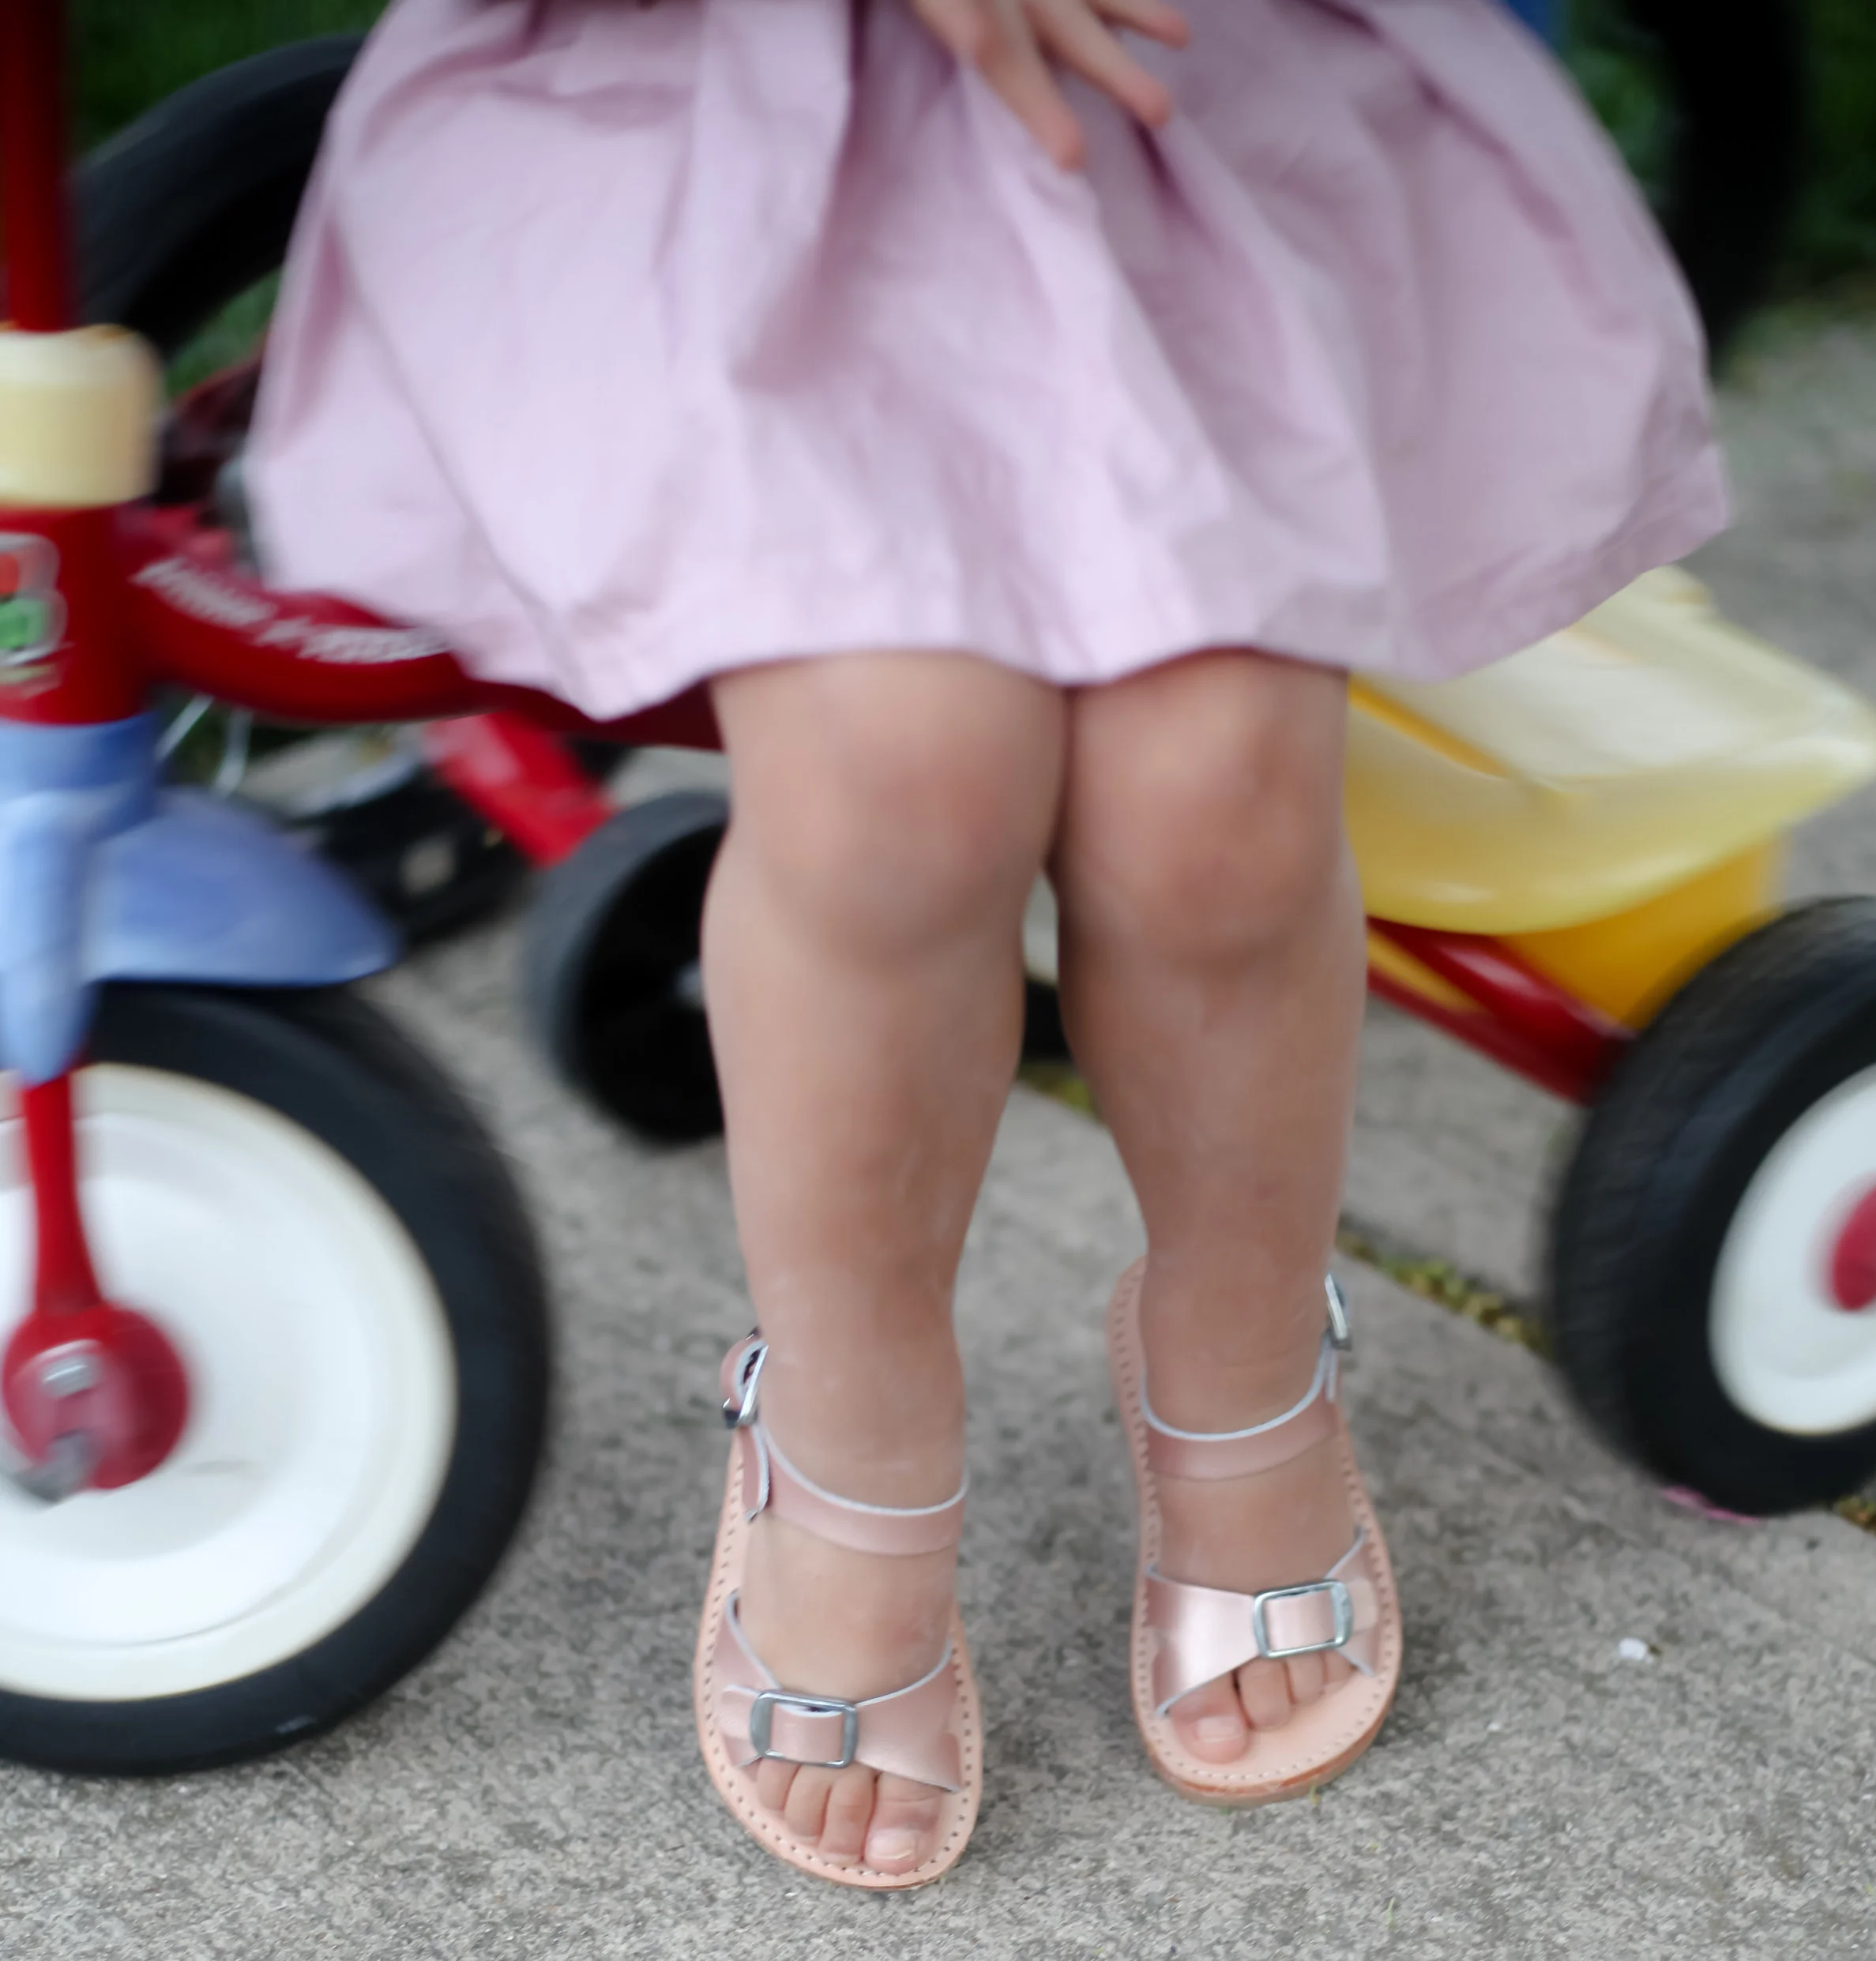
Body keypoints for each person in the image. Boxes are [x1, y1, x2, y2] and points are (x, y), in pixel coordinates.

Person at [249, 0, 1728, 1891]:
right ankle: (846, 1428)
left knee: (1216, 798)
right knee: (896, 781)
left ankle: (1236, 1344)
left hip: (1157, 108)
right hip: (736, 116)